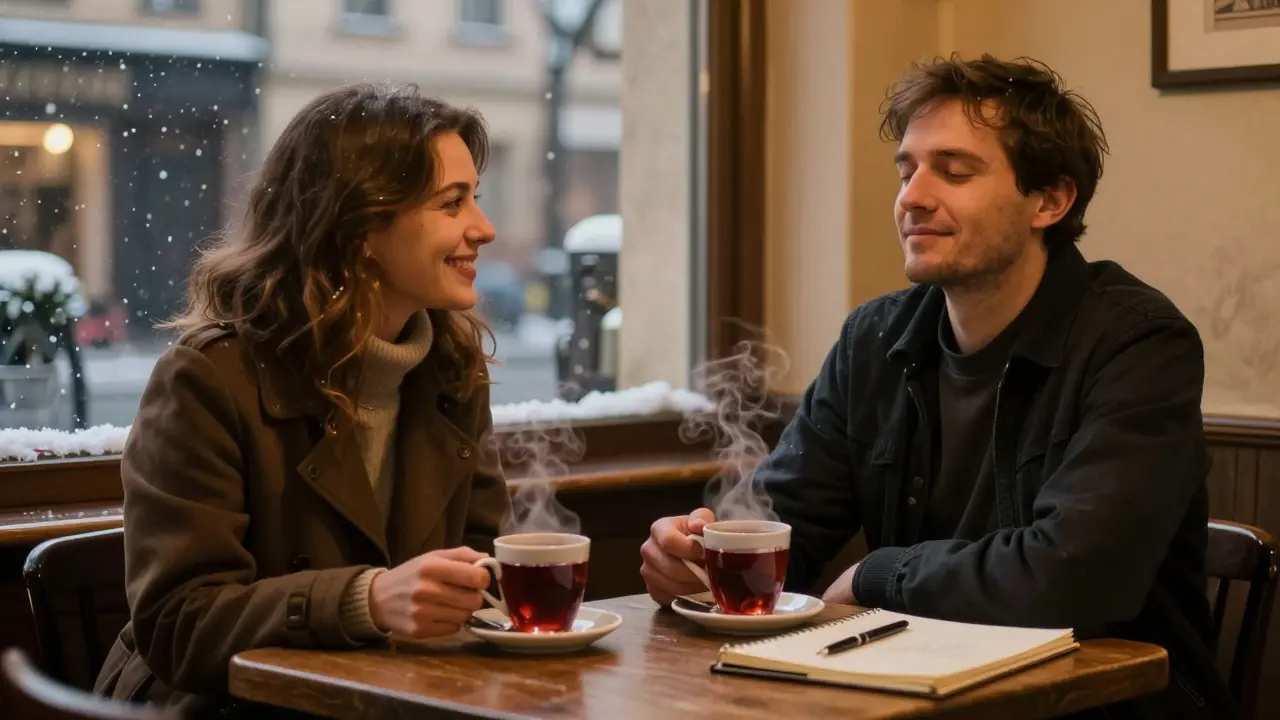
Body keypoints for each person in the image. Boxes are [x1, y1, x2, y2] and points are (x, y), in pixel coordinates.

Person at [641, 55, 1234, 719]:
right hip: (915, 699)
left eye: (953, 171)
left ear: (1050, 200)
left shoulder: (1138, 343)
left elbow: (1073, 576)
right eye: (907, 169)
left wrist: (877, 573)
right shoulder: (875, 338)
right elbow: (786, 528)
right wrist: (704, 555)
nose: (912, 196)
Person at [93, 84, 511, 716]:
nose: (484, 228)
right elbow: (179, 626)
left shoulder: (448, 369)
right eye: (453, 203)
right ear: (361, 224)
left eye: (474, 199)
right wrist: (365, 599)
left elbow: (485, 570)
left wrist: (665, 573)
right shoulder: (206, 380)